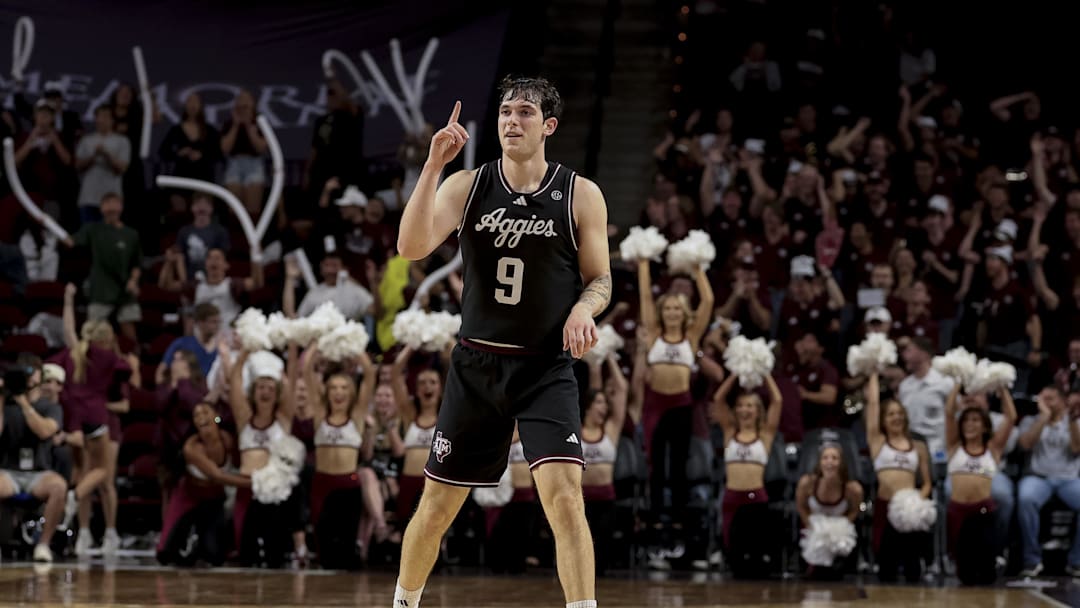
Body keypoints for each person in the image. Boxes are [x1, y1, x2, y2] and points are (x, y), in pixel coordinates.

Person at [392, 77, 611, 608]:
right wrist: (432, 166)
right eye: (506, 112)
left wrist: (584, 307)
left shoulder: (580, 193)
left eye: (525, 113)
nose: (512, 121)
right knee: (437, 508)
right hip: (477, 367)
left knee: (565, 501)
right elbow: (410, 246)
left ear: (548, 126)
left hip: (544, 368)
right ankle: (403, 603)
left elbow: (600, 279)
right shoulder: (467, 185)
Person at [301, 348, 381, 568]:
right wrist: (319, 344)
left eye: (344, 387)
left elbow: (369, 375)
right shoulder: (320, 414)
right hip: (322, 483)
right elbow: (307, 371)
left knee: (346, 545)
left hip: (348, 484)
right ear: (326, 392)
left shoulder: (356, 416)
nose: (338, 392)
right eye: (334, 388)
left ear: (351, 392)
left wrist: (352, 344)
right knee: (323, 543)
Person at [156, 401, 248, 566]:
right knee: (165, 554)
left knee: (214, 556)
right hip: (189, 497)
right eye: (196, 415)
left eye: (205, 412)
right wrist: (254, 483)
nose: (201, 417)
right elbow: (216, 475)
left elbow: (241, 465)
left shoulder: (228, 440)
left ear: (216, 417)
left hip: (214, 499)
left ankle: (201, 544)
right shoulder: (191, 448)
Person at [710, 371, 783, 577]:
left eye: (750, 406)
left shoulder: (765, 435)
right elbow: (718, 399)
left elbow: (777, 401)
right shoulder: (729, 432)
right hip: (732, 498)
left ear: (758, 411)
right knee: (734, 555)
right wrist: (735, 372)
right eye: (741, 405)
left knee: (756, 555)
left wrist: (765, 372)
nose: (744, 410)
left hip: (755, 498)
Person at [943, 382, 1016, 584]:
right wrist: (957, 384)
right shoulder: (954, 445)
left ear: (985, 426)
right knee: (965, 577)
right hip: (958, 512)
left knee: (986, 576)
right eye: (966, 420)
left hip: (983, 514)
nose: (970, 424)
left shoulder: (992, 448)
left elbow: (1011, 417)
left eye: (975, 420)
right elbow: (949, 413)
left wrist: (1002, 390)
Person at [864, 371, 933, 583]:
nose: (896, 417)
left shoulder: (918, 446)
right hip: (885, 507)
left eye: (899, 413)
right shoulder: (878, 442)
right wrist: (874, 371)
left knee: (913, 571)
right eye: (891, 414)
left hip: (909, 511)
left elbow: (927, 483)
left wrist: (917, 501)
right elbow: (873, 405)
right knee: (886, 571)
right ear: (883, 420)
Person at [0, 364, 68, 563]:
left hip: (38, 472)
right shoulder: (5, 404)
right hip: (8, 471)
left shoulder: (50, 407)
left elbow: (45, 431)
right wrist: (2, 396)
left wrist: (24, 403)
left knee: (58, 486)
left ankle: (43, 545)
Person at [1016, 385, 1080, 578]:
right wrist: (1043, 418)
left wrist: (1071, 421)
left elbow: (1077, 449)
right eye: (1041, 399)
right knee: (1025, 498)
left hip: (1068, 479)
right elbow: (1025, 444)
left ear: (1062, 400)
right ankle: (1032, 560)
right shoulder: (1030, 420)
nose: (1043, 403)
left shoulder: (1074, 422)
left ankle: (1076, 561)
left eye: (1050, 399)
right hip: (1038, 477)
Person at [581, 352, 628, 575]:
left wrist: (608, 355)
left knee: (602, 552)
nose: (604, 407)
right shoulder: (576, 430)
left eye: (604, 403)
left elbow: (622, 390)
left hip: (606, 499)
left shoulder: (610, 429)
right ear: (588, 406)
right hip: (580, 498)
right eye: (598, 402)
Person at [794, 443, 864, 577]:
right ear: (819, 462)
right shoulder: (807, 483)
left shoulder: (853, 489)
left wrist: (843, 527)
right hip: (813, 533)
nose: (829, 462)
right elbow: (801, 506)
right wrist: (810, 524)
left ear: (841, 463)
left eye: (834, 458)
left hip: (838, 538)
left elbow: (855, 510)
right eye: (825, 458)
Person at [75, 105, 130, 225]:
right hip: (88, 197)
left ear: (112, 120)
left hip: (112, 199)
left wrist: (107, 155)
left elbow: (122, 168)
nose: (102, 120)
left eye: (106, 117)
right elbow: (78, 166)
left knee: (109, 238)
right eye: (99, 116)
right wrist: (94, 156)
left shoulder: (122, 141)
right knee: (88, 236)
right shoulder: (87, 140)